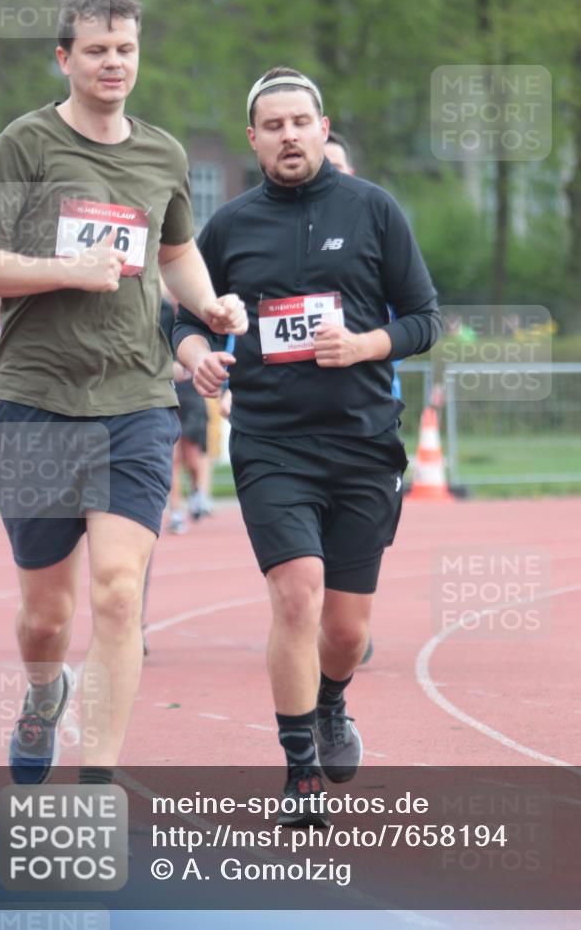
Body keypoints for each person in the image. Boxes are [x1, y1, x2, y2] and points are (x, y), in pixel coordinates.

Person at [0, 0, 246, 785]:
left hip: (137, 402)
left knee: (119, 594)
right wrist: (64, 269)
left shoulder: (163, 154)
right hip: (37, 403)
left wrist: (208, 303)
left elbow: (173, 252)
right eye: (95, 50)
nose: (113, 63)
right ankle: (43, 693)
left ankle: (98, 779)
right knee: (46, 617)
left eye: (125, 49)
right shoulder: (26, 145)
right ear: (65, 58)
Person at [174, 67, 440, 824]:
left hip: (362, 442)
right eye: (273, 126)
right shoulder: (228, 227)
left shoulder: (373, 209)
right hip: (271, 443)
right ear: (253, 139)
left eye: (300, 122)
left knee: (346, 631)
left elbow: (424, 318)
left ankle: (330, 701)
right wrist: (199, 356)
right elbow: (184, 319)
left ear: (322, 130)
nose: (288, 136)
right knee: (296, 594)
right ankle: (299, 774)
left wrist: (363, 345)